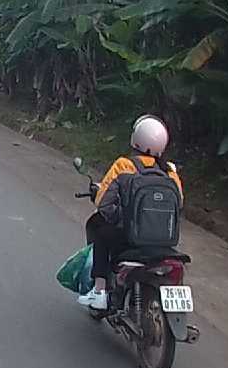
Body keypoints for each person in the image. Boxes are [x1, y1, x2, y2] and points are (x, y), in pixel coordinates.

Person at [77, 115, 184, 310]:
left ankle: (99, 291)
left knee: (100, 231)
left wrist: (119, 219)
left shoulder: (124, 165)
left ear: (136, 139)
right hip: (165, 240)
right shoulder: (170, 170)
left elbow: (103, 203)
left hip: (130, 237)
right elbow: (180, 203)